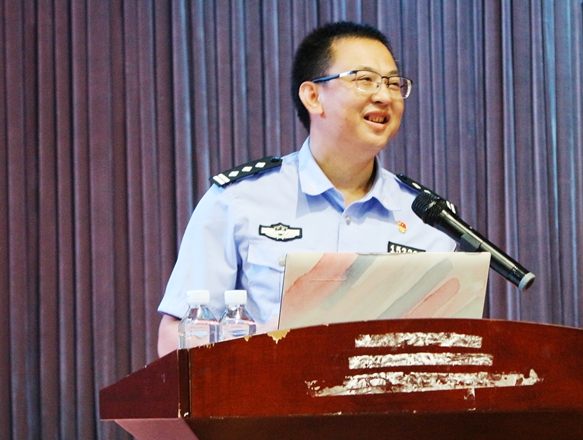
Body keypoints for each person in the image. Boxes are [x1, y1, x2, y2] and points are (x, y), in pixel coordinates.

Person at [156, 21, 456, 357]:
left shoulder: (430, 219)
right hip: (269, 386)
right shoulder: (238, 200)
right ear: (313, 96)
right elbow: (174, 338)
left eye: (393, 83)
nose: (384, 96)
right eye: (365, 80)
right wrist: (263, 341)